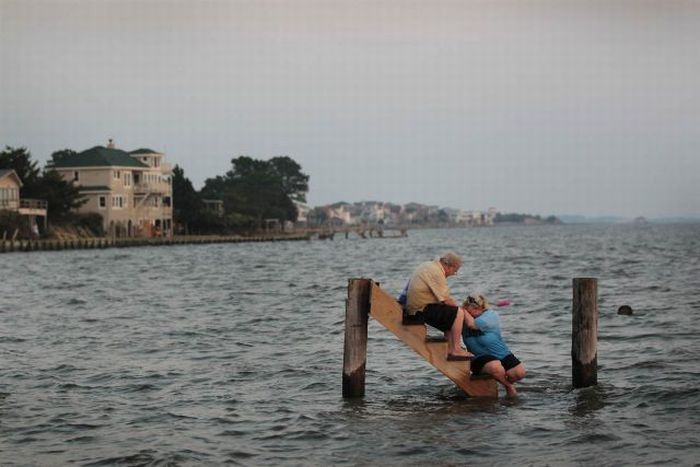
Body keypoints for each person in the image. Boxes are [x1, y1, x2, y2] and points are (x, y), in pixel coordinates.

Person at [405, 252, 472, 360]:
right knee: (458, 313)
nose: (453, 274)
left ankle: (451, 348)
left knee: (451, 314)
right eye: (455, 271)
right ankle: (456, 349)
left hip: (416, 307)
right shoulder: (436, 272)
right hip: (420, 310)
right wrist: (464, 312)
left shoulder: (429, 265)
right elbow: (446, 299)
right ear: (450, 266)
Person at [462, 293, 525, 396]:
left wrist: (463, 311)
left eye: (472, 310)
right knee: (495, 367)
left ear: (481, 308)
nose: (470, 314)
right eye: (468, 311)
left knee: (519, 373)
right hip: (479, 357)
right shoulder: (463, 318)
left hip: (501, 354)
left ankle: (500, 380)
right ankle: (508, 387)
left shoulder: (490, 315)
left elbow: (472, 325)